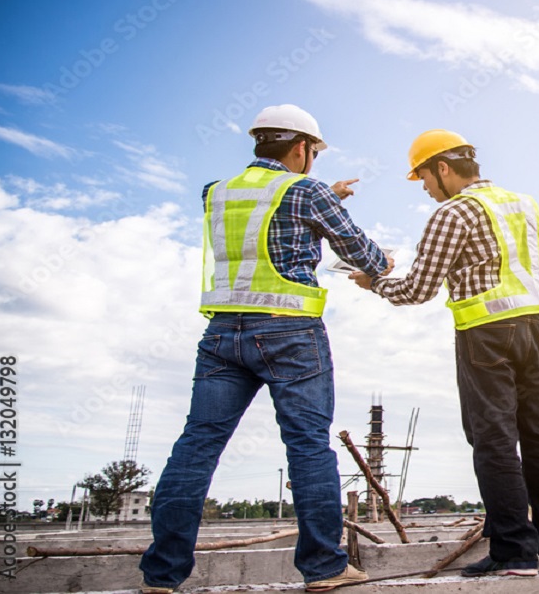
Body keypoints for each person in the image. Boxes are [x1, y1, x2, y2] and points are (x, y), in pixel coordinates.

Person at [139, 104, 390, 594]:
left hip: (221, 335)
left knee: (197, 446)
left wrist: (325, 195)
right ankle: (324, 568)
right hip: (289, 333)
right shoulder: (308, 191)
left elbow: (265, 212)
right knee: (308, 445)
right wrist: (379, 258)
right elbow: (366, 256)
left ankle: (161, 575)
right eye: (314, 153)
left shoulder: (215, 192)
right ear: (302, 148)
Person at [349, 129, 539, 577]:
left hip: (486, 334)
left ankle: (515, 552)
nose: (424, 188)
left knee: (494, 439)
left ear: (442, 168)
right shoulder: (525, 204)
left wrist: (374, 283)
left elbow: (418, 289)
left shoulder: (452, 213)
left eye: (423, 178)